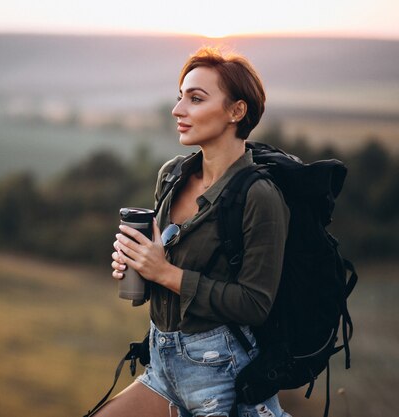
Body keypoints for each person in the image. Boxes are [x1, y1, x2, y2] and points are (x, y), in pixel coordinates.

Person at [102, 47, 291, 417]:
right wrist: (140, 264)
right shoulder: (173, 176)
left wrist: (166, 273)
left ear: (237, 111)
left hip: (223, 376)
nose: (178, 110)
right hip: (162, 364)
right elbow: (166, 274)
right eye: (179, 97)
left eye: (196, 99)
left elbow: (255, 304)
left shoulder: (260, 196)